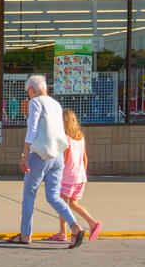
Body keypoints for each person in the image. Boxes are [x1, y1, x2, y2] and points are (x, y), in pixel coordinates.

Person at [6, 74, 86, 249]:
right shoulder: (55, 104)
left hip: (40, 155)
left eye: (29, 93)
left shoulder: (36, 102)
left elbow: (32, 128)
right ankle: (75, 226)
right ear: (46, 88)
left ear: (32, 90)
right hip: (57, 156)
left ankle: (25, 234)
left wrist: (24, 154)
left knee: (29, 194)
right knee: (53, 196)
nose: (29, 96)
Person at [47, 109, 103, 242]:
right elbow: (85, 159)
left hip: (67, 177)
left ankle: (62, 232)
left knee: (62, 204)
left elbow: (63, 160)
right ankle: (92, 223)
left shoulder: (65, 139)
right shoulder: (80, 137)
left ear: (64, 124)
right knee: (73, 204)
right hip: (80, 177)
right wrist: (82, 173)